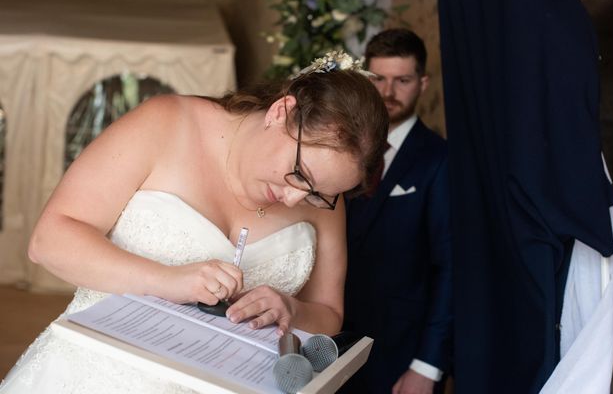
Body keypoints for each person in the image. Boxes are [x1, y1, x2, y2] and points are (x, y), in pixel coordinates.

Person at [0, 51, 388, 393]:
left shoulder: (322, 199)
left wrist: (290, 309)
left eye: (319, 194)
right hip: (97, 374)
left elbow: (327, 312)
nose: (294, 198)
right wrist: (169, 280)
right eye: (298, 173)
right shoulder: (164, 123)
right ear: (280, 112)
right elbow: (49, 240)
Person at [341, 29, 452, 394]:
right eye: (379, 79)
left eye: (402, 81)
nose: (388, 93)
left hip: (400, 352)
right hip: (330, 342)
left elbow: (450, 268)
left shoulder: (441, 160)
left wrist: (427, 366)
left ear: (422, 83)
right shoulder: (339, 148)